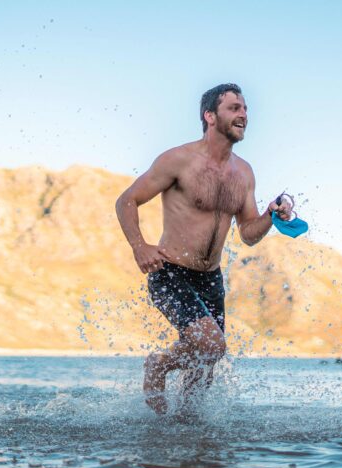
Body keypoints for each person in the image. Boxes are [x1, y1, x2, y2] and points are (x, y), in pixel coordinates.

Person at [115, 83, 293, 414]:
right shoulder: (179, 160)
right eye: (234, 108)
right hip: (170, 273)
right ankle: (159, 364)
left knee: (202, 375)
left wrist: (270, 214)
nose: (243, 114)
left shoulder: (244, 173)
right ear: (210, 116)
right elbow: (127, 200)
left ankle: (184, 440)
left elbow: (248, 234)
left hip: (211, 280)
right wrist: (139, 246)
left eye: (245, 109)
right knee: (212, 346)